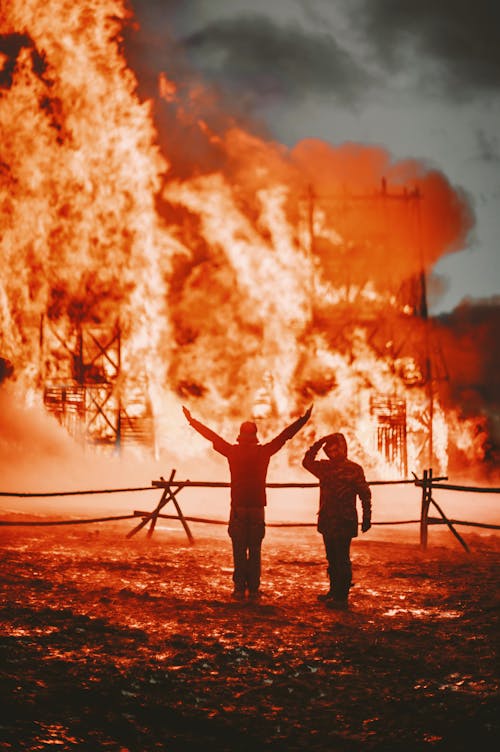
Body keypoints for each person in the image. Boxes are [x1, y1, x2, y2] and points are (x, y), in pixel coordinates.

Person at [183, 404, 312, 600]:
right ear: (255, 435)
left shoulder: (233, 452)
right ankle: (253, 588)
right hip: (258, 507)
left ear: (240, 436)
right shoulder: (264, 452)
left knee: (238, 548)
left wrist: (192, 421)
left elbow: (212, 437)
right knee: (255, 549)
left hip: (238, 507)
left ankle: (238, 588)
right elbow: (285, 436)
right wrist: (303, 420)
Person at [302, 432, 371, 610]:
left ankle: (341, 598)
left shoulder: (354, 469)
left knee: (342, 558)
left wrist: (367, 517)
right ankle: (334, 591)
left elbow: (365, 493)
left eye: (335, 449)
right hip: (327, 520)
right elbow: (307, 462)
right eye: (329, 450)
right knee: (332, 558)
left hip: (344, 521)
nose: (332, 453)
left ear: (342, 449)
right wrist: (319, 442)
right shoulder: (324, 467)